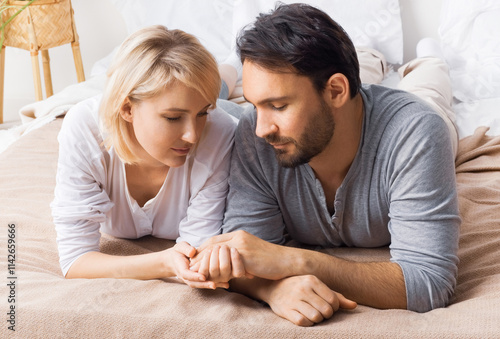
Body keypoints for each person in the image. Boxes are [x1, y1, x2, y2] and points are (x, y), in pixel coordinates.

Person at [191, 3, 460, 327]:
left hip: (421, 110)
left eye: (277, 105)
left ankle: (432, 61)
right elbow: (243, 258)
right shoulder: (255, 133)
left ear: (336, 90)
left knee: (429, 89)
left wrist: (293, 261)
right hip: (350, 104)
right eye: (255, 105)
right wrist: (273, 290)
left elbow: (429, 283)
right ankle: (370, 56)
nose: (261, 129)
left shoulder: (417, 133)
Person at [51, 25, 247, 288]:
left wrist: (200, 112)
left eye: (202, 114)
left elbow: (197, 252)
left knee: (219, 93)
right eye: (172, 118)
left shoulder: (220, 132)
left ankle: (232, 64)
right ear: (127, 108)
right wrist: (164, 262)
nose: (192, 135)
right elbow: (75, 261)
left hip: (225, 110)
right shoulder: (84, 129)